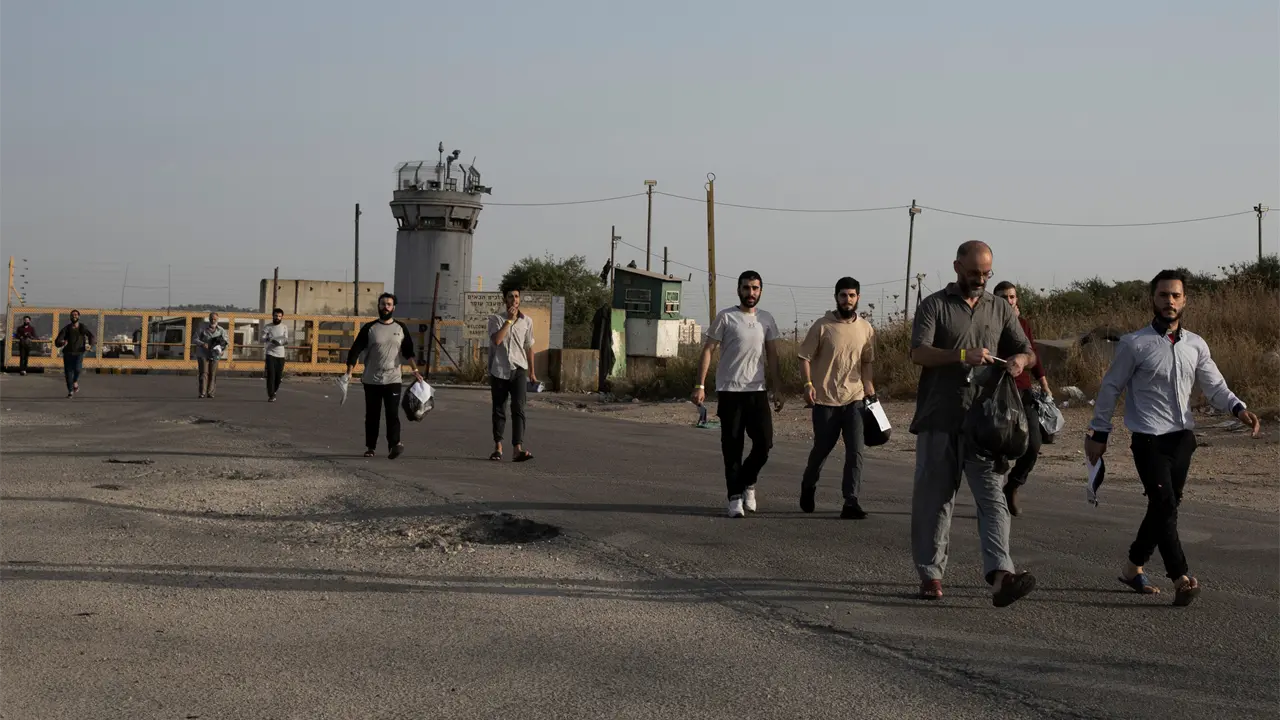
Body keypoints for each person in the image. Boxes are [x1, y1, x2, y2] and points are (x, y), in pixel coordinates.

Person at [1086, 269, 1261, 607]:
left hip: (1182, 439)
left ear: (1185, 301)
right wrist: (1099, 432)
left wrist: (1238, 408)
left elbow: (1214, 385)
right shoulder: (1134, 344)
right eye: (1163, 295)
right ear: (1153, 299)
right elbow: (1111, 388)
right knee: (1165, 504)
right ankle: (1180, 577)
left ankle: (1133, 566)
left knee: (1165, 506)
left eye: (1176, 295)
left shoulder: (1195, 344)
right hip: (1148, 438)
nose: (1170, 301)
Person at [909, 240, 1038, 606]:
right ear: (957, 268)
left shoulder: (1000, 308)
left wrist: (1020, 361)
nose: (980, 279)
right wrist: (962, 355)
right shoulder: (934, 305)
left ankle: (1001, 576)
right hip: (940, 418)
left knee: (993, 500)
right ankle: (931, 574)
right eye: (974, 273)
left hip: (987, 425)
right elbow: (919, 352)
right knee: (935, 501)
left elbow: (1027, 350)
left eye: (986, 273)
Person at [693, 270, 784, 518]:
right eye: (746, 288)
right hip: (730, 392)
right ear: (739, 290)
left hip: (757, 392)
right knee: (732, 446)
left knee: (764, 443)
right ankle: (734, 497)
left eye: (755, 288)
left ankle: (748, 481)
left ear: (760, 291)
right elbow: (708, 350)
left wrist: (778, 388)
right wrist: (700, 385)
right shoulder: (726, 317)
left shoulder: (766, 319)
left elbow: (773, 355)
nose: (750, 292)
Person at [797, 276, 877, 519]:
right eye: (843, 295)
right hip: (825, 400)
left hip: (855, 399)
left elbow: (867, 362)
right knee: (822, 450)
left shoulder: (866, 328)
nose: (847, 300)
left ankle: (851, 501)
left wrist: (869, 387)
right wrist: (808, 385)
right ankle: (808, 485)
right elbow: (804, 357)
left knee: (856, 452)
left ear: (858, 298)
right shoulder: (822, 326)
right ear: (836, 297)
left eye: (852, 295)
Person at [992, 281, 1053, 516]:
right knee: (1000, 444)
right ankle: (993, 496)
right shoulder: (989, 323)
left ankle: (1014, 485)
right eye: (1003, 297)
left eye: (1012, 297)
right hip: (998, 392)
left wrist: (1044, 383)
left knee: (1034, 443)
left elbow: (1032, 354)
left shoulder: (1023, 324)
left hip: (1023, 391)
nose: (1009, 301)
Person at [345, 292, 422, 459]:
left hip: (393, 379)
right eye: (383, 304)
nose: (385, 307)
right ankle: (370, 447)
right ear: (378, 306)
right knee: (372, 415)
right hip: (371, 379)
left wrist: (415, 371)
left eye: (389, 304)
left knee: (392, 413)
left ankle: (394, 445)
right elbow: (355, 350)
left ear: (393, 308)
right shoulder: (370, 328)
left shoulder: (400, 328)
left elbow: (408, 352)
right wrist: (349, 372)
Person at [488, 287, 537, 462]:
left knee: (518, 408)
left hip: (519, 370)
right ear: (505, 300)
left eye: (516, 296)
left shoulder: (527, 321)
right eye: (510, 297)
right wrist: (508, 321)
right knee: (499, 409)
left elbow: (529, 347)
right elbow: (497, 340)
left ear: (519, 300)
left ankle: (517, 449)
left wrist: (532, 372)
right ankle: (498, 447)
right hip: (499, 370)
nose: (514, 299)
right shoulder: (496, 319)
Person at [54, 310, 94, 398]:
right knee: (68, 372)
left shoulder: (82, 327)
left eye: (76, 315)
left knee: (77, 369)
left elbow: (91, 336)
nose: (74, 316)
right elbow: (57, 341)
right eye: (72, 315)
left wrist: (90, 345)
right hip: (68, 353)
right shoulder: (66, 328)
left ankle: (75, 381)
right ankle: (70, 391)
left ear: (79, 316)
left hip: (79, 352)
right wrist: (62, 342)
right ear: (70, 317)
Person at [194, 312, 229, 399]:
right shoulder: (202, 328)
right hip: (203, 353)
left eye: (214, 319)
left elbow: (226, 343)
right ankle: (202, 392)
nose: (213, 321)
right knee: (204, 373)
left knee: (213, 373)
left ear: (217, 319)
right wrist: (202, 344)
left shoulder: (221, 330)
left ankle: (210, 392)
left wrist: (222, 350)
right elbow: (195, 339)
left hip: (215, 354)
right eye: (211, 319)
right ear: (209, 319)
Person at [262, 307, 289, 402]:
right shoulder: (267, 327)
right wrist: (269, 339)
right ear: (273, 316)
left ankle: (274, 391)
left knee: (278, 377)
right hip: (270, 353)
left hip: (281, 355)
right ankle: (271, 395)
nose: (277, 317)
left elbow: (286, 340)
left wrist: (281, 342)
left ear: (282, 317)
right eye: (276, 316)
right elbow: (262, 338)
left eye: (279, 316)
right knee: (271, 375)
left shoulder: (284, 327)